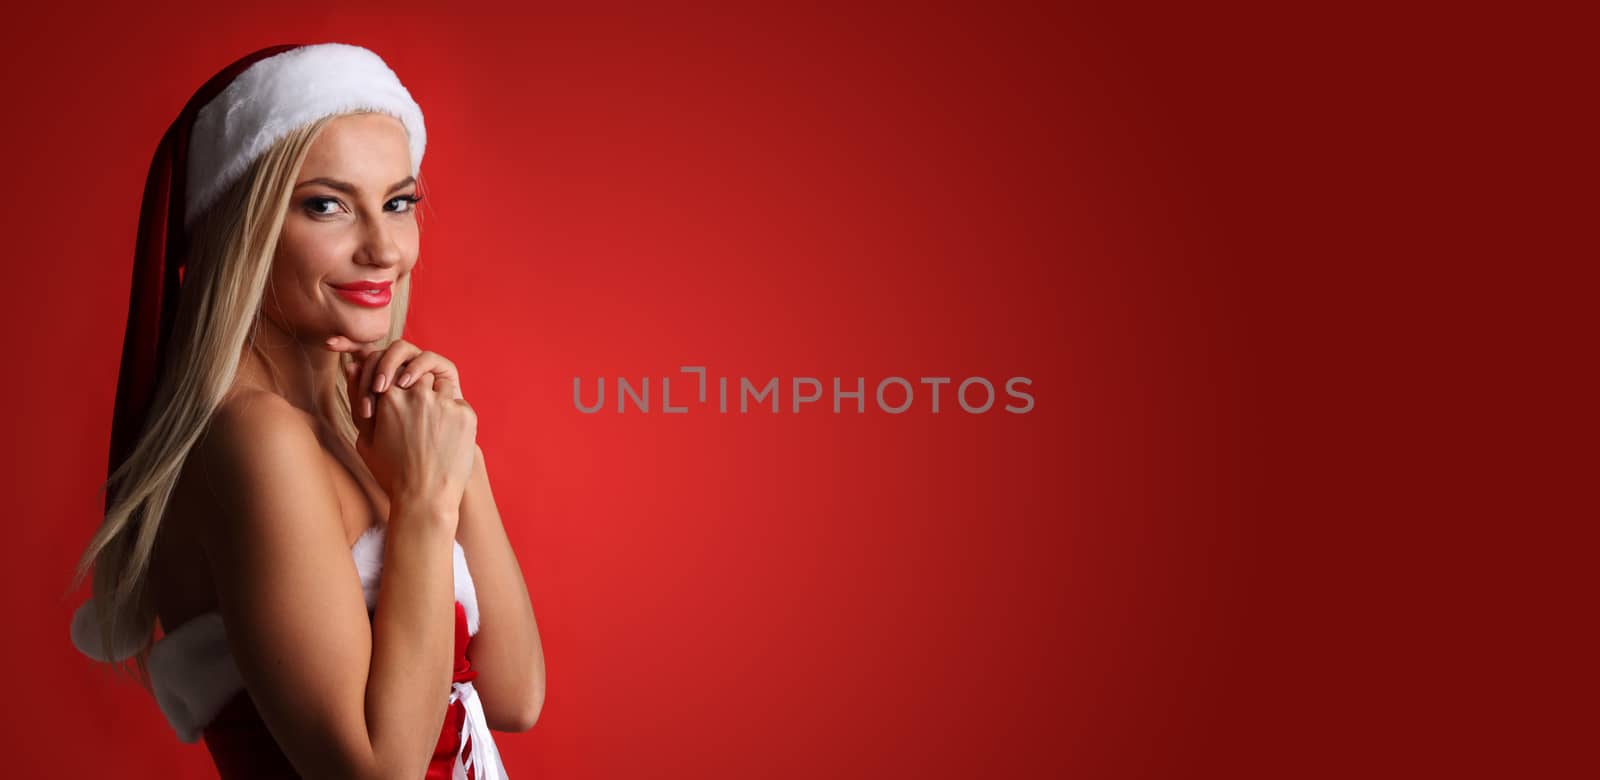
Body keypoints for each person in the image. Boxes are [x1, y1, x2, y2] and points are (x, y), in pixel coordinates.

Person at [65, 42, 545, 779]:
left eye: (400, 202)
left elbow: (514, 697)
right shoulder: (254, 436)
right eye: (327, 205)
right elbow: (379, 772)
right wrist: (419, 502)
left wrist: (454, 459)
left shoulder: (376, 420)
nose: (384, 248)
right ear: (239, 229)